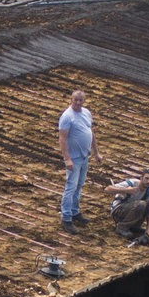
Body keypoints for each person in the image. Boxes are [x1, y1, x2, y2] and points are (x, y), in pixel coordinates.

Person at [57, 89, 93, 227]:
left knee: (79, 186)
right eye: (75, 100)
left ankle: (74, 211)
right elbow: (62, 139)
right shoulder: (67, 116)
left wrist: (96, 152)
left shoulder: (86, 113)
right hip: (74, 158)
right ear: (71, 100)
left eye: (80, 100)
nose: (78, 103)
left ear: (84, 101)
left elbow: (90, 131)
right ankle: (66, 218)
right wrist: (67, 159)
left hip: (85, 156)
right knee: (71, 187)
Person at [108, 169, 149, 244]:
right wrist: (126, 190)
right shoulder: (132, 183)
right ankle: (122, 228)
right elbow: (108, 189)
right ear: (141, 178)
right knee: (141, 204)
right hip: (119, 212)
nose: (148, 182)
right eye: (146, 178)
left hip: (133, 213)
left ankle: (133, 227)